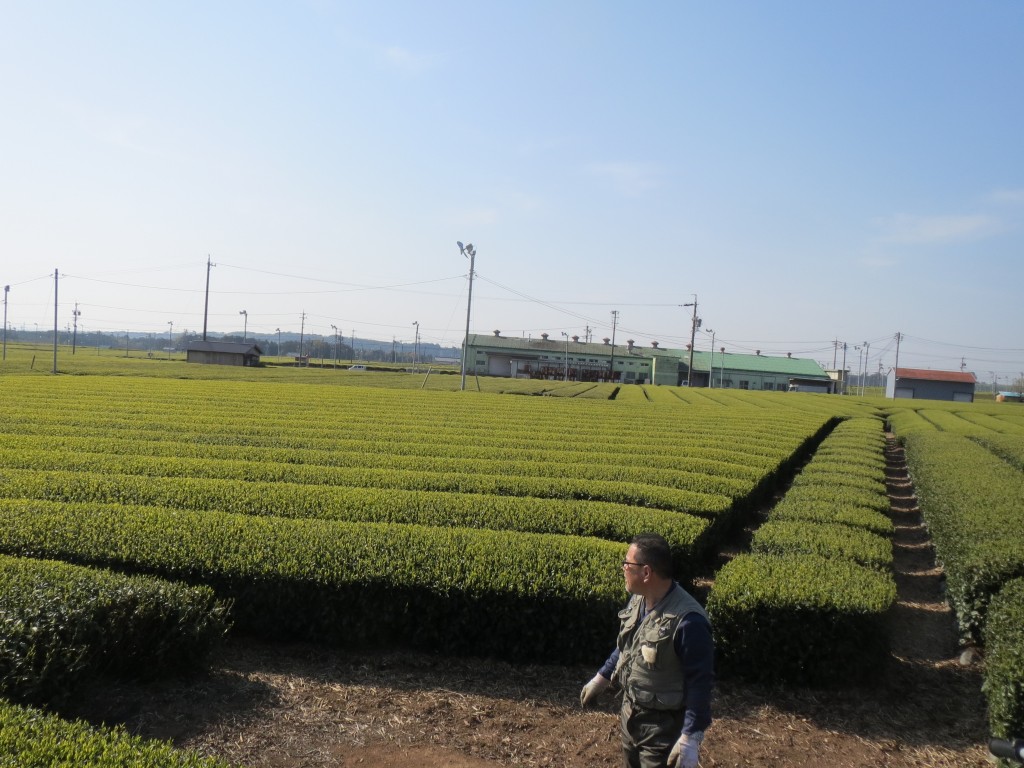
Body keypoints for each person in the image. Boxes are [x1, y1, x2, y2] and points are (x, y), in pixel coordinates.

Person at [580, 533, 714, 768]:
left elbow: (700, 683)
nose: (623, 568)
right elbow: (628, 645)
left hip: (662, 728)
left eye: (627, 564)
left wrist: (691, 736)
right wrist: (601, 678)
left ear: (646, 572)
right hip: (630, 714)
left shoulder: (688, 622)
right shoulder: (638, 600)